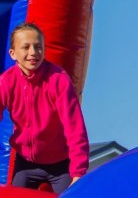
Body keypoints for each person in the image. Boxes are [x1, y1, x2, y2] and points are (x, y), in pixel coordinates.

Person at [0, 22, 89, 193]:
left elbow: (75, 128)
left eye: (38, 47)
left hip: (60, 165)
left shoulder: (58, 80)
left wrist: (78, 172)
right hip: (26, 164)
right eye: (26, 47)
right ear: (13, 53)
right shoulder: (6, 82)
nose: (33, 52)